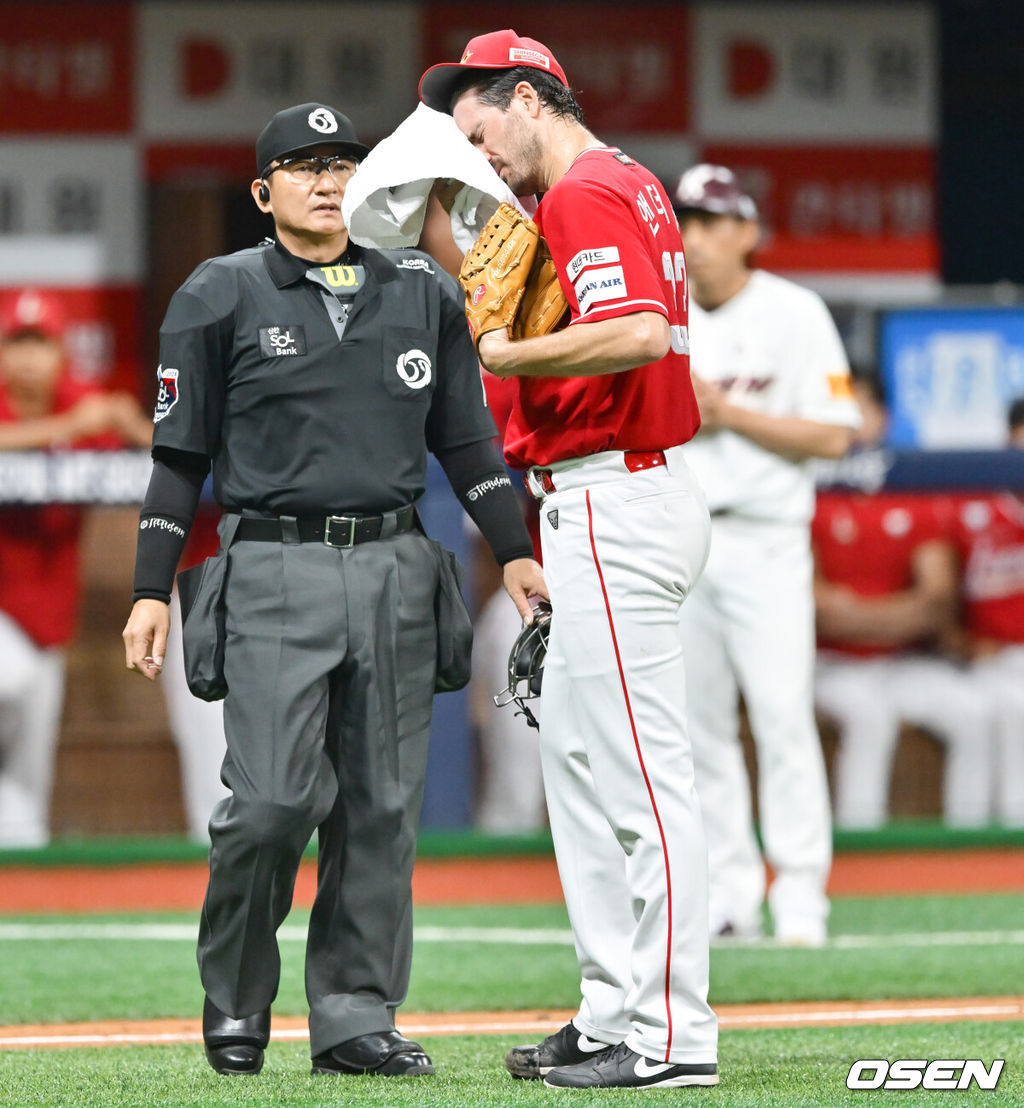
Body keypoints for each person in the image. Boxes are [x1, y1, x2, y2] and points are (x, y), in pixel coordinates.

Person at [121, 102, 545, 1079]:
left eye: (343, 162)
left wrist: (513, 548)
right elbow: (178, 458)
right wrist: (151, 585)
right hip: (271, 563)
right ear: (263, 191)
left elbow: (467, 440)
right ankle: (235, 995)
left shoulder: (420, 290)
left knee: (381, 807)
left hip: (398, 560)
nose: (326, 179)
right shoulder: (216, 292)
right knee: (267, 804)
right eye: (303, 165)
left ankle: (355, 1014)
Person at [419, 30, 719, 1090]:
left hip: (617, 494)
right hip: (598, 497)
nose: (479, 152)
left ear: (527, 96)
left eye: (481, 127)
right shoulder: (621, 180)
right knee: (581, 773)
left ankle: (674, 1034)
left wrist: (506, 352)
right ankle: (609, 1012)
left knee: (638, 776)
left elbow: (636, 331)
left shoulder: (586, 190)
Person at [670, 164, 861, 945]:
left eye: (714, 222)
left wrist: (730, 414)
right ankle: (733, 894)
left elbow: (835, 433)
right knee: (700, 726)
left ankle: (803, 896)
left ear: (747, 231)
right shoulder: (660, 311)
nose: (696, 237)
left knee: (782, 717)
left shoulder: (795, 310)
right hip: (684, 537)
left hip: (766, 537)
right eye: (686, 220)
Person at [0, 289, 152, 847]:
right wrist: (64, 429)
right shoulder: (45, 410)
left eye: (40, 343)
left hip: (51, 618)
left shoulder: (80, 398)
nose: (28, 358)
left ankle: (20, 892)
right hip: (3, 612)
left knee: (29, 776)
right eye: (18, 342)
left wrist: (125, 423)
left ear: (61, 352)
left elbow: (158, 457)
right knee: (7, 681)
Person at [813, 374, 993, 829]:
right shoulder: (808, 492)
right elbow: (817, 610)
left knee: (975, 714)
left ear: (883, 418)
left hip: (902, 663)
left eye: (861, 413)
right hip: (831, 664)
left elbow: (936, 602)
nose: (852, 426)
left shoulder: (912, 490)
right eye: (841, 415)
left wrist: (856, 614)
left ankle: (965, 855)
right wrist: (895, 613)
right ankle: (860, 859)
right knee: (870, 718)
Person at [943, 397, 1024, 827]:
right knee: (990, 713)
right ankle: (965, 845)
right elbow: (939, 601)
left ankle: (1011, 848)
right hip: (982, 662)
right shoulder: (972, 506)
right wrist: (958, 642)